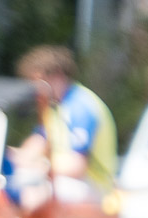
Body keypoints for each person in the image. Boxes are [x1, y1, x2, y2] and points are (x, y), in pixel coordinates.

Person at [12, 45, 117, 205]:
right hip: (73, 181)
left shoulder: (81, 106)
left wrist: (39, 165)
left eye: (40, 83)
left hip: (96, 187)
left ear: (58, 75)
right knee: (12, 183)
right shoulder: (56, 107)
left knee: (37, 191)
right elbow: (39, 140)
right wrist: (17, 157)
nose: (37, 91)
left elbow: (77, 165)